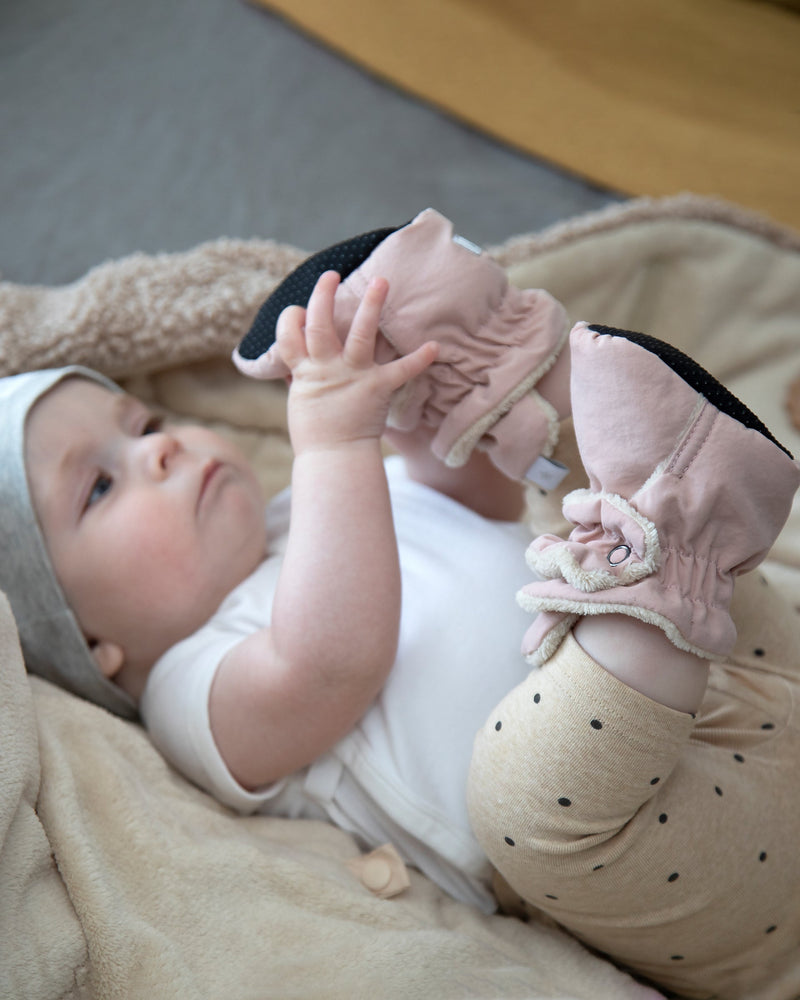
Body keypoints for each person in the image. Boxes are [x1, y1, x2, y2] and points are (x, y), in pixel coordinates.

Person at [2, 208, 799, 1000]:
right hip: (650, 844)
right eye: (99, 486)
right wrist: (336, 444)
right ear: (92, 638)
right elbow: (328, 665)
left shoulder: (307, 510)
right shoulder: (186, 685)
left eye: (142, 423)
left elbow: (475, 505)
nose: (159, 448)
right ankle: (671, 521)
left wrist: (412, 410)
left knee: (541, 483)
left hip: (723, 654)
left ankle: (497, 367)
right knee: (521, 804)